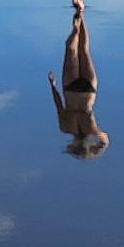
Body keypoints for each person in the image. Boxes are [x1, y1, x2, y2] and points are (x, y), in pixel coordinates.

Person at [48, 15, 108, 159]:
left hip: (88, 90)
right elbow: (58, 105)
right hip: (71, 89)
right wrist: (53, 87)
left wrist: (98, 150)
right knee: (72, 50)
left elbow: (105, 141)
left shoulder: (93, 131)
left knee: (83, 50)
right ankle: (77, 24)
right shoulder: (66, 128)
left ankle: (80, 19)